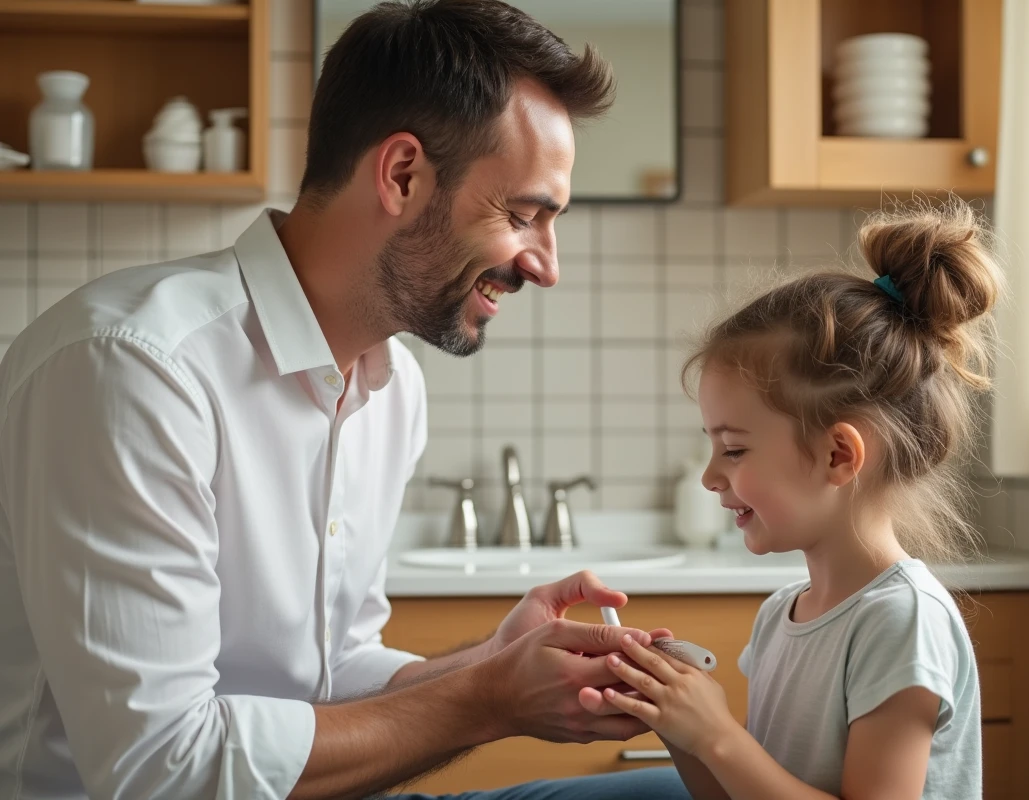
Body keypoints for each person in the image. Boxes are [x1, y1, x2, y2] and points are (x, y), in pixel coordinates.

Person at [0, 1, 688, 798]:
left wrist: (490, 663)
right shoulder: (134, 369)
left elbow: (333, 676)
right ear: (401, 175)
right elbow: (166, 771)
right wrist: (489, 697)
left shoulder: (391, 389)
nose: (545, 265)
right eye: (523, 215)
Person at [582, 200, 999, 799]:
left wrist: (719, 736)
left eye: (734, 450)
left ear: (838, 456)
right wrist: (677, 722)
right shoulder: (782, 614)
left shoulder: (900, 621)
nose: (709, 477)